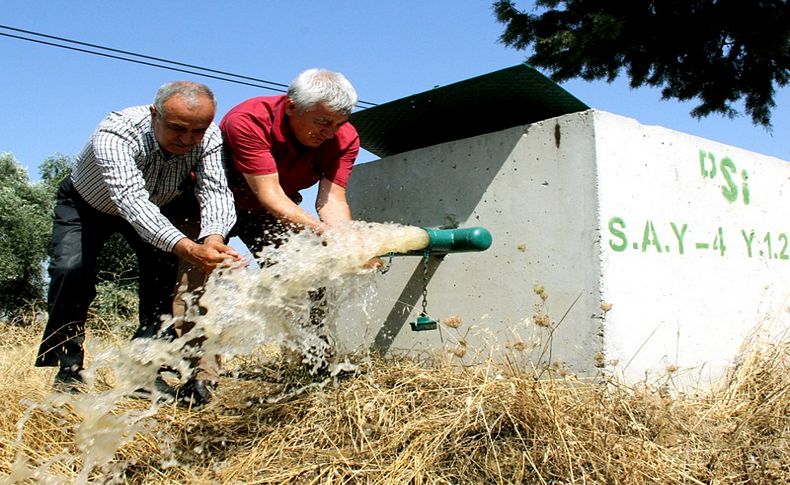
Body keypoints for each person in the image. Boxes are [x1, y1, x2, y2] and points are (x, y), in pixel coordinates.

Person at [35, 81, 240, 404]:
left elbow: (215, 191)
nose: (187, 140)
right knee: (70, 272)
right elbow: (132, 202)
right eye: (177, 128)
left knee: (162, 283)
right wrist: (188, 246)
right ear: (154, 114)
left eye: (197, 130)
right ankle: (67, 369)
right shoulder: (116, 132)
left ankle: (144, 372)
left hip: (158, 207)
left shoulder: (210, 137)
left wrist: (213, 237)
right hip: (88, 206)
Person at [219, 68, 374, 374]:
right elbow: (270, 193)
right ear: (291, 107)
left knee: (308, 271)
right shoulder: (249, 119)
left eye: (339, 123)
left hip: (269, 210)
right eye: (323, 122)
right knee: (194, 280)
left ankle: (312, 362)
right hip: (217, 203)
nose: (330, 132)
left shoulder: (345, 138)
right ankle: (194, 372)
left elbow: (332, 200)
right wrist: (322, 232)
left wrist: (348, 241)